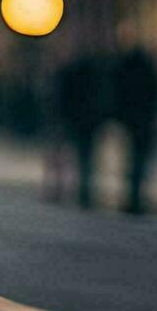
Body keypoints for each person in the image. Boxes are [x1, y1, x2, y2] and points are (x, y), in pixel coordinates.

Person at [113, 40, 157, 215]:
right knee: (140, 162)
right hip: (144, 121)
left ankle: (133, 197)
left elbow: (119, 94)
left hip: (132, 121)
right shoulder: (148, 70)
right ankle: (137, 198)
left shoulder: (127, 69)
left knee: (133, 161)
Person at [55, 54, 109, 209]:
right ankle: (79, 190)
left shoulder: (80, 73)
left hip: (82, 120)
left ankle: (80, 190)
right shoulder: (84, 72)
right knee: (81, 157)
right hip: (80, 120)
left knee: (83, 157)